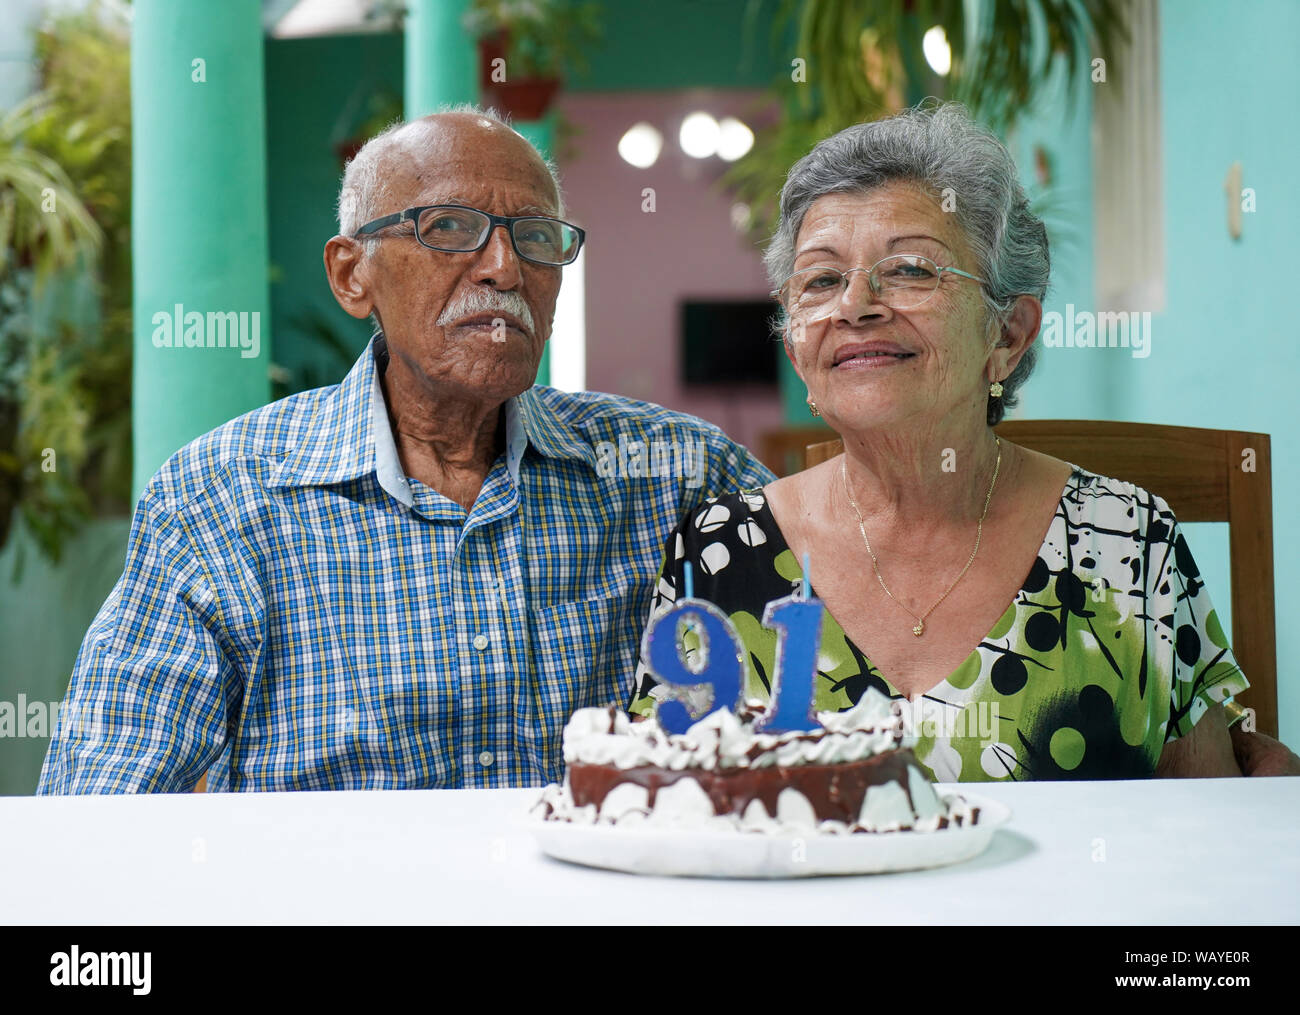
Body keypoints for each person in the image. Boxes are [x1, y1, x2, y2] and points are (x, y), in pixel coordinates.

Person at [37, 107, 773, 793]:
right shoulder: (222, 497)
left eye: (537, 237)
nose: (504, 269)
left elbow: (843, 665)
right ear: (351, 274)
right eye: (450, 226)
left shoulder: (674, 471)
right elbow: (102, 805)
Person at [631, 101, 1298, 780]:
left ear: (1007, 335)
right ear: (797, 348)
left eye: (913, 270)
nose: (856, 305)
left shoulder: (1130, 542)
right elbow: (662, 811)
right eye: (823, 279)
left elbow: (1209, 831)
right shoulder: (716, 549)